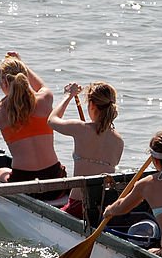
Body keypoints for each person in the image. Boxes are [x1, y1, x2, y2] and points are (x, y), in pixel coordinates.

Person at [0, 52, 67, 202]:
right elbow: (41, 86)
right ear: (24, 77)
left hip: (23, 182)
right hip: (55, 179)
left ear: (3, 82)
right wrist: (22, 64)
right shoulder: (45, 99)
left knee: (1, 171)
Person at [48, 81, 124, 221]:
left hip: (77, 207)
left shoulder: (80, 128)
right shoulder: (119, 141)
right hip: (102, 208)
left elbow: (52, 120)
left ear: (92, 105)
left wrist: (69, 95)